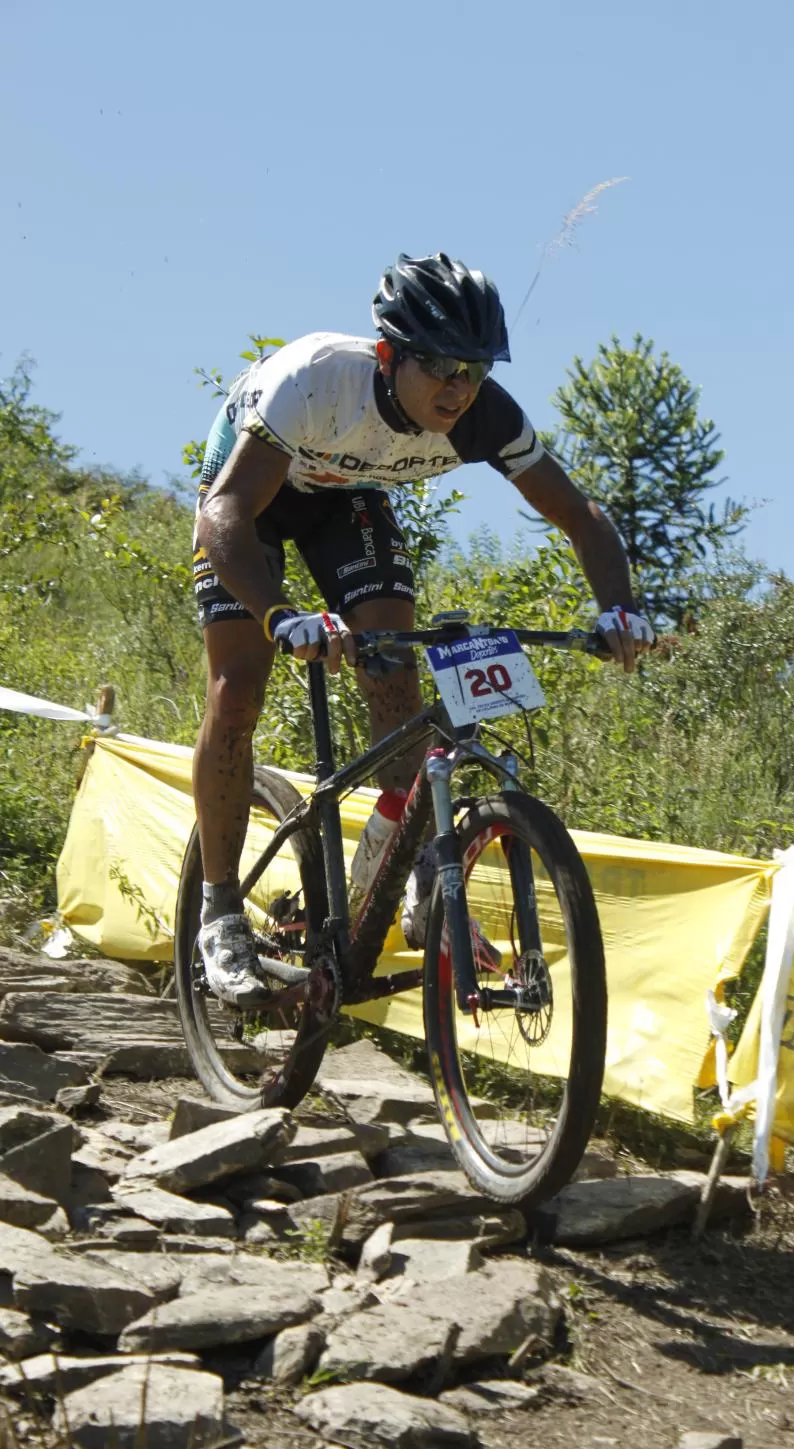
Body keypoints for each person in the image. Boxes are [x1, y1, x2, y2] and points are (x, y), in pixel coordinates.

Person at [191, 252, 653, 1006]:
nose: (457, 388)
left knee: (396, 680)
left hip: (346, 500)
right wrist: (282, 616)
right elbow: (227, 514)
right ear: (387, 354)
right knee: (239, 683)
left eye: (473, 369)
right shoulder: (315, 379)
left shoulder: (485, 416)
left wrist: (619, 607)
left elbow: (578, 513)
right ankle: (218, 912)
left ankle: (406, 879)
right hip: (247, 499)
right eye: (438, 365)